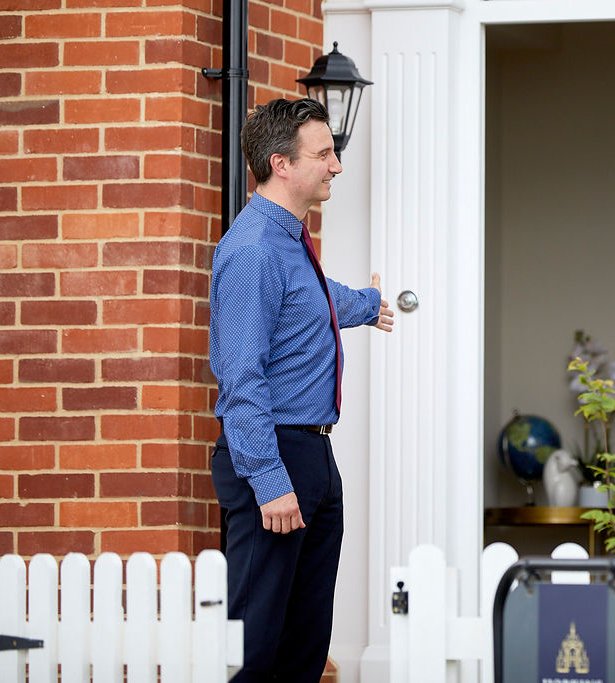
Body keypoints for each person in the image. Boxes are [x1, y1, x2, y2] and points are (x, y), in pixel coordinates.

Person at [209, 98, 394, 682]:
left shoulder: (289, 239)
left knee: (305, 642)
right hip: (276, 456)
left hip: (311, 454)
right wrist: (269, 481)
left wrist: (369, 305)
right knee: (256, 644)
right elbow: (241, 376)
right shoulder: (253, 249)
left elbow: (313, 300)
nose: (336, 165)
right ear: (280, 164)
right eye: (324, 154)